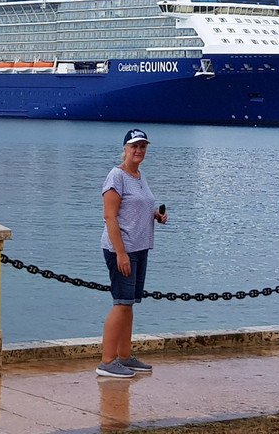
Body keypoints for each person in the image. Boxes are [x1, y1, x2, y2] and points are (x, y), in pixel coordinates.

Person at [96, 128, 167, 378]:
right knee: (120, 303)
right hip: (122, 250)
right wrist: (121, 254)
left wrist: (155, 215)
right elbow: (110, 216)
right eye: (134, 146)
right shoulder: (116, 176)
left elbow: (137, 207)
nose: (138, 150)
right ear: (125, 149)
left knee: (129, 304)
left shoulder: (138, 176)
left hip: (140, 247)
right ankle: (107, 361)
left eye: (143, 146)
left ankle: (125, 357)